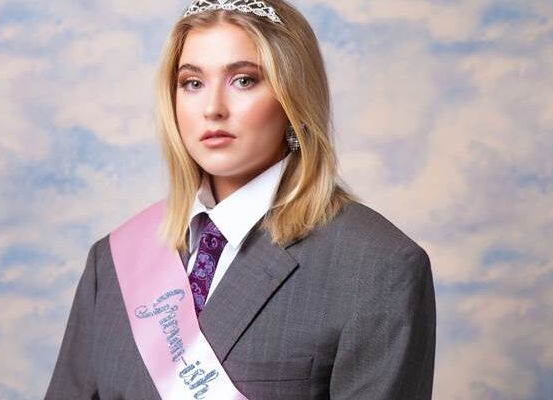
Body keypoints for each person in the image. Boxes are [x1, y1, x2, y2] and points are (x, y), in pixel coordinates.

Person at [45, 0, 436, 399]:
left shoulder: (377, 266)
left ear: (294, 98)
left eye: (244, 80)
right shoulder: (113, 261)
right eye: (192, 83)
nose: (212, 108)